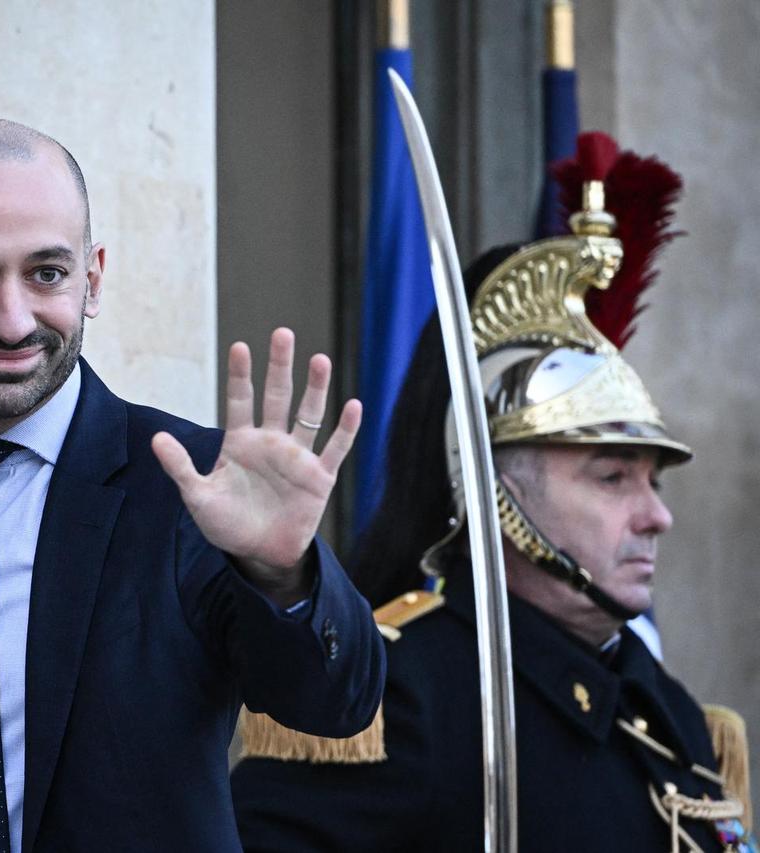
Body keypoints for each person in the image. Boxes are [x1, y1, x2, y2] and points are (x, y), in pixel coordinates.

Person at [0, 118, 385, 853]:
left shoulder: (198, 488)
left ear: (92, 279)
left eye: (45, 273)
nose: (13, 320)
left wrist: (280, 574)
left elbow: (336, 704)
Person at [231, 133, 754, 851]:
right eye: (611, 478)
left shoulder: (676, 718)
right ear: (498, 495)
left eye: (653, 480)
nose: (657, 515)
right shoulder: (392, 697)